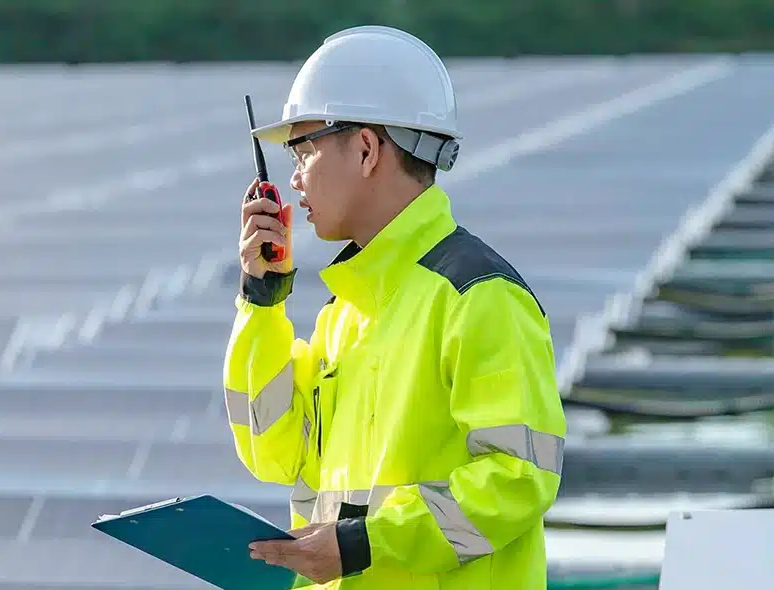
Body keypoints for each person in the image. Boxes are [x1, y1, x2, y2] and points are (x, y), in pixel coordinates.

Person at [224, 25, 567, 589]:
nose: (293, 177)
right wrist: (261, 302)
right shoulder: (345, 313)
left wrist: (366, 543)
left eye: (304, 149)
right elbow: (271, 453)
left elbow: (519, 477)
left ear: (365, 150)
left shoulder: (479, 296)